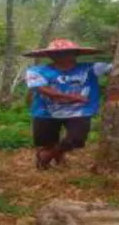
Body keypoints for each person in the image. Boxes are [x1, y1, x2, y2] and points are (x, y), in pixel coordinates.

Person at [23, 39, 113, 170]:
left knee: (76, 139)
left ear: (75, 54)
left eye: (67, 53)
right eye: (58, 53)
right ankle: (52, 161)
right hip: (46, 112)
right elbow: (42, 89)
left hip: (80, 111)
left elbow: (118, 67)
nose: (62, 56)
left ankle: (49, 156)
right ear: (50, 56)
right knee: (47, 142)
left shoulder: (91, 68)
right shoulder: (37, 71)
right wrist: (71, 97)